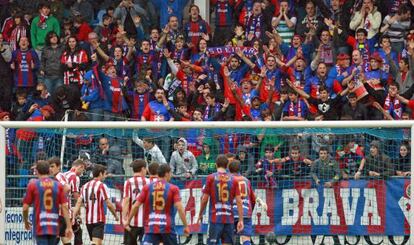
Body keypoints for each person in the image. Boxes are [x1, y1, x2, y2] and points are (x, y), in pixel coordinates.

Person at [125, 164, 190, 244]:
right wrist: (186, 226)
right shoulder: (173, 188)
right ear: (166, 174)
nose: (171, 175)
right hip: (167, 227)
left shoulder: (147, 187)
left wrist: (128, 221)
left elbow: (136, 206)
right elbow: (179, 208)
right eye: (170, 173)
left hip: (151, 226)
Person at [22, 160, 72, 245]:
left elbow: (25, 207)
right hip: (53, 224)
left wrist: (26, 221)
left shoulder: (33, 185)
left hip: (40, 224)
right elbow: (65, 207)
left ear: (37, 171)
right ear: (49, 171)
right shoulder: (58, 185)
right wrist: (69, 226)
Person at [197, 154, 244, 245]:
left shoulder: (210, 178)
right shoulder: (234, 180)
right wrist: (241, 220)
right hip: (229, 219)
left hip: (215, 219)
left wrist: (200, 214)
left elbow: (204, 199)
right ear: (227, 166)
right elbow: (239, 201)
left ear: (216, 164)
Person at [73, 164, 119, 245]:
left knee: (97, 242)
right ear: (100, 174)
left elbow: (79, 202)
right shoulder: (102, 186)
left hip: (88, 221)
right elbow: (108, 203)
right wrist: (115, 215)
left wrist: (74, 216)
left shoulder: (84, 186)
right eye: (104, 174)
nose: (105, 176)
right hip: (99, 220)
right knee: (96, 243)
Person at [228, 160, 267, 245]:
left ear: (229, 169)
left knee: (229, 239)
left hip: (231, 213)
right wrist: (250, 211)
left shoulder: (228, 180)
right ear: (240, 169)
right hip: (245, 212)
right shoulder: (246, 180)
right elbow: (252, 199)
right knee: (246, 238)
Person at [122, 159, 148, 245]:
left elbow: (126, 201)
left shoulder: (128, 182)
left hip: (132, 221)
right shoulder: (149, 182)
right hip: (146, 222)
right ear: (143, 169)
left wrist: (124, 218)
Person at [48, 157, 72, 245]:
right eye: (49, 167)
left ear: (58, 167)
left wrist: (58, 199)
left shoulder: (58, 176)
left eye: (52, 166)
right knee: (65, 239)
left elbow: (67, 187)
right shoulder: (58, 176)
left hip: (60, 214)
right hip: (63, 214)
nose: (50, 169)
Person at [64, 159, 86, 245]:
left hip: (59, 208)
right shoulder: (75, 177)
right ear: (80, 167)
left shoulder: (63, 174)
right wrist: (77, 213)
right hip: (66, 209)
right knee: (78, 231)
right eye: (83, 170)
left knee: (61, 234)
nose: (82, 173)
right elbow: (76, 196)